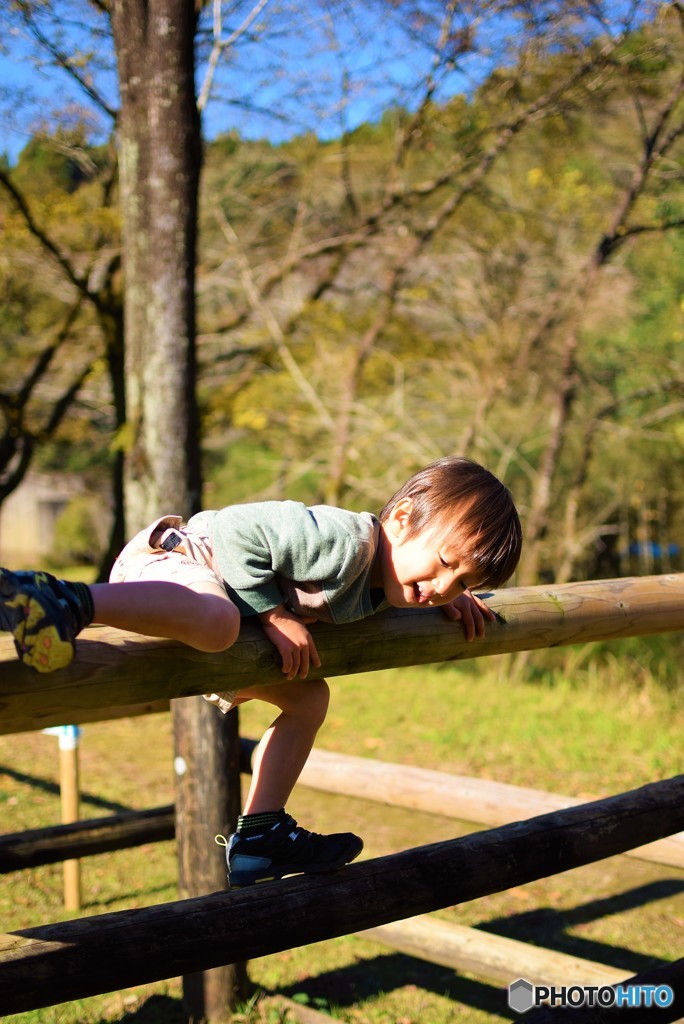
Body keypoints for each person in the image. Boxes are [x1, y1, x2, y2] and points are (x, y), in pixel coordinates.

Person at [0, 456, 522, 887]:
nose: (444, 586)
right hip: (183, 560)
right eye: (447, 563)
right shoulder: (341, 539)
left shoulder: (398, 582)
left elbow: (418, 584)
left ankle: (260, 834)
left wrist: (449, 605)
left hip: (212, 629)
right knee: (220, 619)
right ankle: (61, 601)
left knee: (309, 700)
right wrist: (273, 615)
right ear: (403, 517)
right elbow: (231, 532)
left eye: (463, 582)